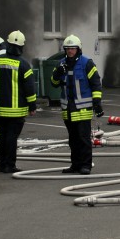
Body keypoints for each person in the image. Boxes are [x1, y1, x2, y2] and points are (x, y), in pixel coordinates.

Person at [51, 34, 103, 175]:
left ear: (78, 49)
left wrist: (97, 102)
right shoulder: (61, 64)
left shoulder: (87, 63)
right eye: (67, 49)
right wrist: (57, 74)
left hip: (83, 109)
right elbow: (54, 84)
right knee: (73, 140)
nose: (70, 51)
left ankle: (86, 165)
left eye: (73, 48)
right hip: (67, 109)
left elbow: (96, 84)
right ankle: (75, 165)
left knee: (83, 139)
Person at [0, 30, 37, 174]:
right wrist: (32, 106)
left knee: (3, 136)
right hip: (17, 111)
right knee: (12, 138)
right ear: (21, 47)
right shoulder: (24, 65)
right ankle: (10, 165)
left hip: (0, 109)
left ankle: (2, 164)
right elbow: (30, 89)